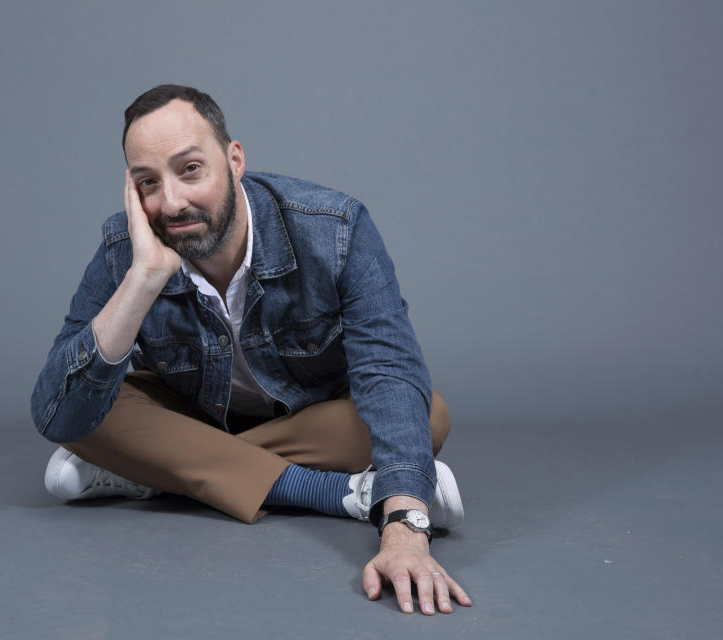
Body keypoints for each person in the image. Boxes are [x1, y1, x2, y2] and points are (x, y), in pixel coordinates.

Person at [30, 84, 471, 615]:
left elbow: (390, 369)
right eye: (148, 182)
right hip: (190, 410)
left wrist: (405, 529)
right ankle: (345, 492)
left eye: (189, 169)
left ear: (234, 159)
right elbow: (55, 412)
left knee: (427, 413)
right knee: (89, 410)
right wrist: (143, 279)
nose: (171, 202)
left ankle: (152, 470)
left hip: (306, 421)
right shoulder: (125, 249)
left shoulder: (334, 228)